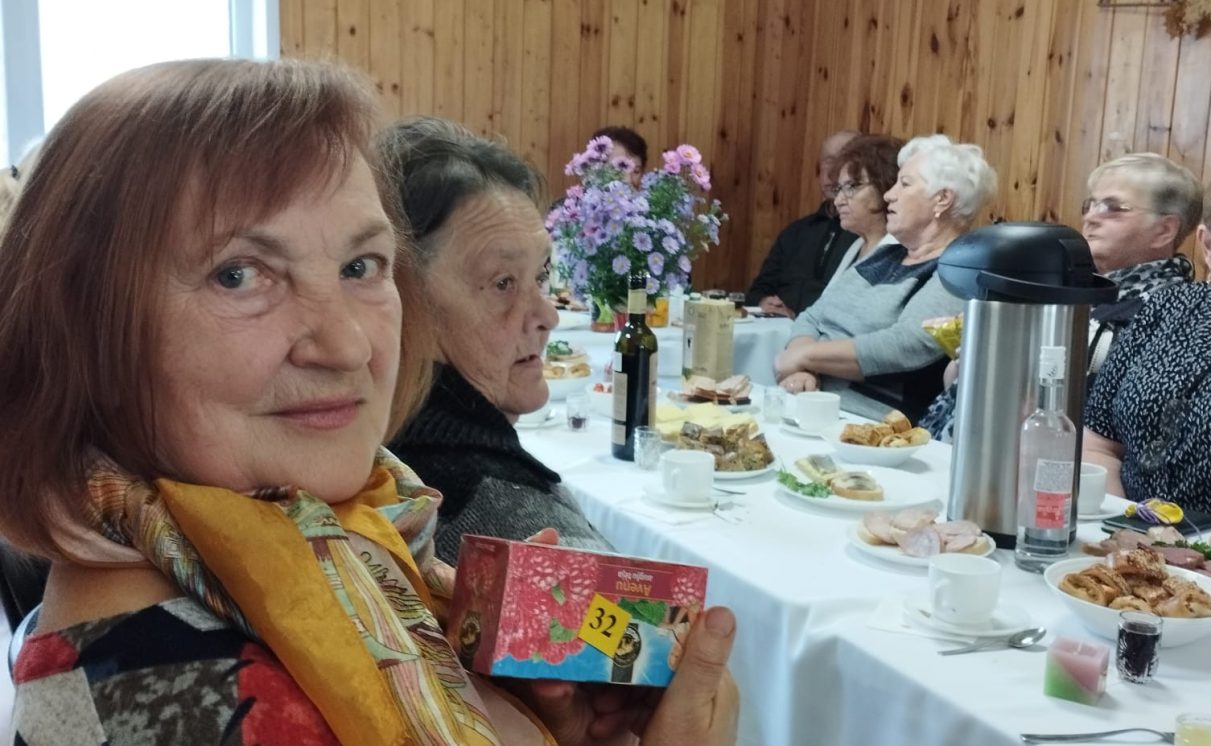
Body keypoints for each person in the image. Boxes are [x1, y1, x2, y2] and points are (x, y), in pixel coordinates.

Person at [0, 58, 738, 745]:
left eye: (360, 266)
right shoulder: (186, 696)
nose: (348, 345)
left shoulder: (346, 539)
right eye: (239, 274)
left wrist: (525, 722)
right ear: (86, 333)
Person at [380, 116, 613, 565]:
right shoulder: (506, 517)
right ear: (403, 302)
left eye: (541, 274)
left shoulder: (381, 445)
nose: (548, 316)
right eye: (503, 283)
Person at [921, 153, 1200, 442]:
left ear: (1164, 230)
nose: (1091, 217)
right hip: (956, 442)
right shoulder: (1065, 282)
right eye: (1090, 205)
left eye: (1113, 208)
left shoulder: (1172, 314)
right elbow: (956, 380)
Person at [775, 135, 996, 421]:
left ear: (942, 199)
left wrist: (806, 357)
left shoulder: (957, 271)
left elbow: (905, 345)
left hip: (872, 423)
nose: (889, 195)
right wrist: (802, 369)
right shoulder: (885, 255)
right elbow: (813, 316)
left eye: (905, 184)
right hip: (815, 403)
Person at [1082, 158, 1211, 527]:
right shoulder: (1167, 308)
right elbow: (1100, 444)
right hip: (1122, 538)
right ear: (1209, 246)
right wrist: (1122, 530)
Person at [746, 129, 860, 318]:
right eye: (829, 161)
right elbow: (758, 291)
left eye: (844, 160)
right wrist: (764, 302)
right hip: (774, 328)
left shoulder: (867, 236)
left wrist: (797, 317)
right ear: (818, 170)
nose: (834, 171)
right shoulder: (795, 232)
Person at [824, 134, 904, 285]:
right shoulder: (856, 246)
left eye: (852, 186)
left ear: (885, 186)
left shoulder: (899, 252)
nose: (838, 201)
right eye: (839, 189)